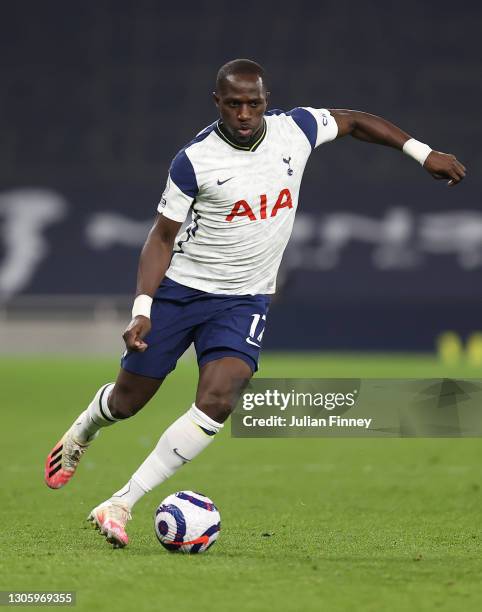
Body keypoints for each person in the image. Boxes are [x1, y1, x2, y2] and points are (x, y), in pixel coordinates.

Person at [44, 58, 466, 548]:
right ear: (217, 102)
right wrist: (143, 307)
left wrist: (422, 151)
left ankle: (120, 502)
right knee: (127, 402)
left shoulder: (294, 131)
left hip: (244, 299)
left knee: (220, 398)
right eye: (234, 104)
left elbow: (353, 121)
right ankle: (82, 431)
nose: (245, 113)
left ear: (266, 99)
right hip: (182, 292)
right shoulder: (195, 160)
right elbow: (161, 238)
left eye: (254, 103)